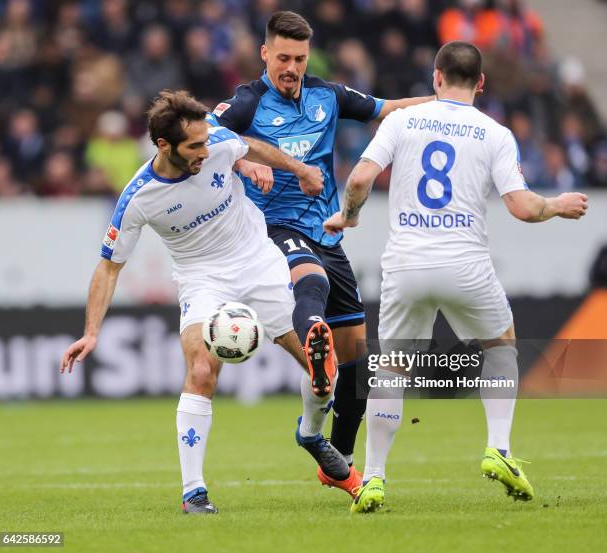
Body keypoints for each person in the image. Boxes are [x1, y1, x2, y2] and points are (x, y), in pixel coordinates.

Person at [323, 41, 588, 512]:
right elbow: (522, 208)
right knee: (501, 345)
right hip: (465, 264)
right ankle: (499, 449)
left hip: (405, 265)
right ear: (481, 83)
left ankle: (377, 477)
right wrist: (557, 206)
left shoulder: (402, 120)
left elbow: (360, 179)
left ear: (436, 77)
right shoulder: (495, 132)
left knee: (392, 368)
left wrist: (349, 215)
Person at [60, 90, 351, 515]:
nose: (205, 149)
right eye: (194, 146)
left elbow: (250, 145)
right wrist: (90, 332)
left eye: (205, 141)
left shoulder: (215, 141)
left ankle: (310, 433)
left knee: (320, 365)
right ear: (164, 146)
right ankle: (193, 492)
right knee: (200, 369)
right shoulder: (139, 197)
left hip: (257, 261)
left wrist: (299, 168)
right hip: (201, 277)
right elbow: (109, 268)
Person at [210, 10, 433, 496]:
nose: (290, 67)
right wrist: (247, 163)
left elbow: (388, 108)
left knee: (357, 366)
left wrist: (446, 104)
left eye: (299, 58)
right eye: (282, 57)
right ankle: (314, 340)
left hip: (328, 234)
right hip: (272, 230)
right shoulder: (248, 101)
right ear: (265, 54)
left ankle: (340, 462)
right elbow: (209, 135)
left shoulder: (326, 95)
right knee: (311, 282)